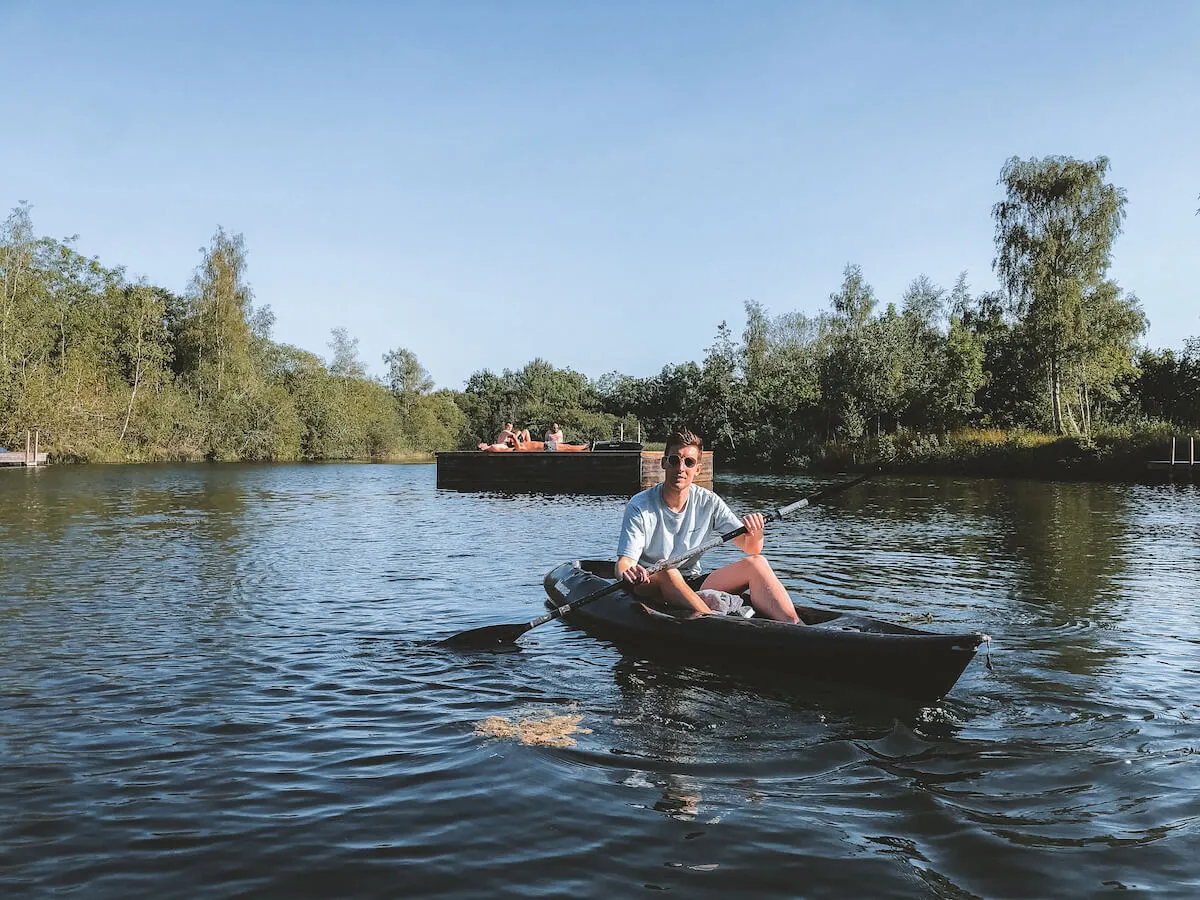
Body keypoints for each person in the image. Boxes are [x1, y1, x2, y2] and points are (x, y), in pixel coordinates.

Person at [616, 427, 799, 623]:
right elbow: (623, 564)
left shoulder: (709, 502)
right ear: (664, 463)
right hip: (650, 582)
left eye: (689, 462)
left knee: (757, 563)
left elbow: (751, 547)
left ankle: (797, 627)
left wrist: (756, 530)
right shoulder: (639, 505)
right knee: (667, 569)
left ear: (698, 469)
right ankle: (716, 624)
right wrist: (629, 572)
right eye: (674, 460)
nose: (681, 468)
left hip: (691, 582)